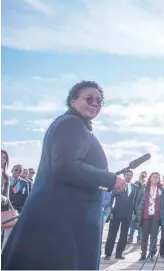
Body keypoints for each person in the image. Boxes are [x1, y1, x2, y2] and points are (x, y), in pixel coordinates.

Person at [1, 81, 126, 270]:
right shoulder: (71, 124)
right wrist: (109, 180)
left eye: (99, 101)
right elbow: (66, 167)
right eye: (89, 98)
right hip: (62, 222)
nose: (95, 103)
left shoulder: (75, 125)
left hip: (62, 219)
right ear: (73, 101)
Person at [134, 172, 164, 261]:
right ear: (150, 178)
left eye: (157, 177)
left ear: (159, 179)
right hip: (146, 215)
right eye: (153, 177)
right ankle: (143, 254)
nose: (155, 178)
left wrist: (163, 215)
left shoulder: (161, 190)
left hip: (156, 216)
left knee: (154, 236)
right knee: (144, 236)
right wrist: (137, 213)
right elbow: (138, 201)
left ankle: (152, 253)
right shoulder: (144, 188)